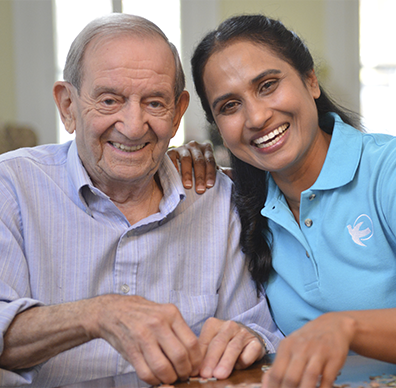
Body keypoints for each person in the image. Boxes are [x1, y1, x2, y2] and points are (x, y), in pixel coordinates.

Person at [0, 14, 282, 388]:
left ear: (178, 111)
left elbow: (254, 327)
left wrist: (249, 340)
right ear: (68, 106)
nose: (133, 126)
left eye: (154, 103)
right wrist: (97, 314)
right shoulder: (12, 187)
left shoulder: (214, 199)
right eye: (109, 100)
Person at [168, 14, 396, 388]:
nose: (256, 117)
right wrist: (175, 163)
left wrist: (347, 328)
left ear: (311, 80)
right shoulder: (240, 204)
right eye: (229, 106)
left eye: (268, 85)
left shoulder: (386, 170)